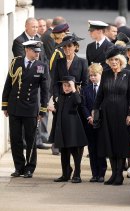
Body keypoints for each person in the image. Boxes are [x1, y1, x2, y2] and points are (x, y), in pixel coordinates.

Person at [2, 40, 49, 178]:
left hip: (30, 108)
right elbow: (8, 84)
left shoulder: (41, 66)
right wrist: (5, 105)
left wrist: (43, 109)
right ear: (27, 50)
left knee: (30, 139)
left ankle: (30, 167)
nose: (37, 54)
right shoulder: (16, 63)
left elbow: (45, 90)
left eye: (38, 52)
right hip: (15, 106)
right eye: (35, 51)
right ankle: (19, 167)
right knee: (15, 139)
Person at [93, 46, 130, 186]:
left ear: (121, 60)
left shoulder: (128, 74)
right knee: (109, 143)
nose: (114, 62)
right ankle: (113, 174)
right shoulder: (105, 74)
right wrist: (95, 109)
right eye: (111, 60)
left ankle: (119, 175)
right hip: (107, 113)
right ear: (108, 62)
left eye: (116, 59)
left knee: (120, 143)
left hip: (122, 113)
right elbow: (100, 95)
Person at [53, 76, 88, 183]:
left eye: (69, 86)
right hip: (62, 128)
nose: (67, 88)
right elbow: (59, 111)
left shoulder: (76, 96)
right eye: (65, 85)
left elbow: (78, 102)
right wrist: (54, 110)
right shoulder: (61, 97)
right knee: (64, 152)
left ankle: (77, 174)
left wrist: (74, 89)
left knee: (75, 152)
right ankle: (65, 173)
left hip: (73, 129)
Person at [81, 63, 107, 183]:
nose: (92, 78)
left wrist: (98, 117)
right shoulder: (86, 89)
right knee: (92, 149)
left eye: (95, 75)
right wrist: (88, 117)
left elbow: (105, 104)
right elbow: (84, 105)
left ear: (100, 75)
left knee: (101, 148)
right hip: (90, 123)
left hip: (101, 123)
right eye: (90, 76)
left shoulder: (105, 88)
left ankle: (102, 173)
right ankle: (94, 173)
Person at [47, 23, 70, 155]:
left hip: (66, 90)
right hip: (59, 90)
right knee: (57, 118)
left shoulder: (63, 50)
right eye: (65, 33)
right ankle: (55, 144)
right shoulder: (57, 52)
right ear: (61, 35)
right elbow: (52, 73)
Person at [52, 33, 88, 103]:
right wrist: (56, 96)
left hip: (76, 98)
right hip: (61, 98)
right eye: (64, 46)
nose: (67, 48)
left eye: (69, 46)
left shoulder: (83, 62)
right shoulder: (59, 62)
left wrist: (79, 96)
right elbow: (55, 82)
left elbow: (85, 83)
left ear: (75, 47)